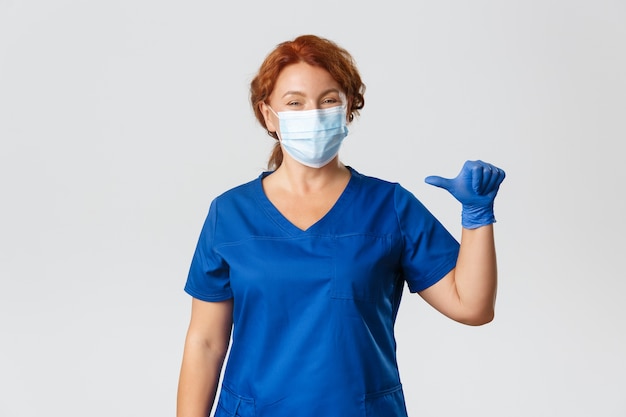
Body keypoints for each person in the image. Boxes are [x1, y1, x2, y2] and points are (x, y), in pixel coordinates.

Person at [177, 34, 505, 417]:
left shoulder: (390, 207)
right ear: (268, 115)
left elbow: (473, 307)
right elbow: (205, 343)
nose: (313, 114)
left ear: (349, 109)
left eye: (329, 100)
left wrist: (477, 216)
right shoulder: (230, 214)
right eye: (295, 103)